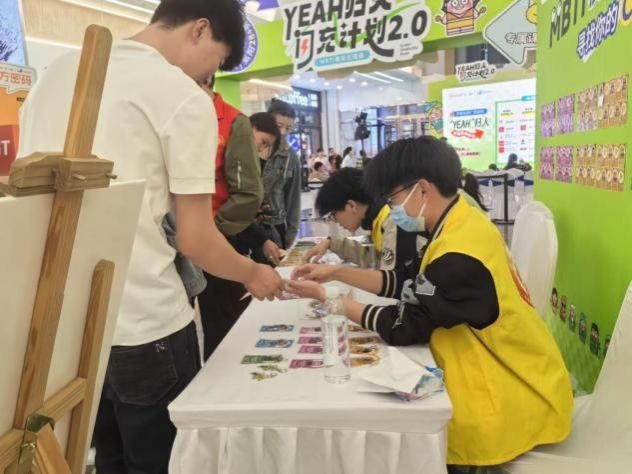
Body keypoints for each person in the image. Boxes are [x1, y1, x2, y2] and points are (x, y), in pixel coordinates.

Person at [18, 1, 283, 472]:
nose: (209, 77)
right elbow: (195, 238)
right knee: (167, 463)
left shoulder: (54, 76)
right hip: (147, 324)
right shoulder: (180, 97)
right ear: (200, 29)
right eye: (217, 62)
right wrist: (252, 273)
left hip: (67, 329)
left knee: (103, 458)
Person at [287, 137, 573, 469]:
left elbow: (405, 325)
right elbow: (409, 283)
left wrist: (333, 300)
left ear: (422, 190)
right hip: (507, 372)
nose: (391, 208)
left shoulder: (459, 253)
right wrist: (336, 273)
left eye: (393, 199)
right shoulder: (457, 223)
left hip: (510, 395)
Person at [197, 80, 282, 360]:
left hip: (214, 238)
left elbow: (244, 201)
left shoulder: (232, 122)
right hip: (199, 237)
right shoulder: (194, 117)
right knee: (216, 316)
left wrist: (213, 231)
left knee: (224, 315)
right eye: (263, 143)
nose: (261, 150)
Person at [303, 168, 418, 270]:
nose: (335, 221)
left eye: (333, 215)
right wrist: (331, 243)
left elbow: (390, 276)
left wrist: (335, 273)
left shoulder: (392, 221)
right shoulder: (377, 217)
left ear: (351, 206)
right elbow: (375, 257)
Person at [262, 99, 302, 249]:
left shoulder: (290, 156)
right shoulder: (251, 148)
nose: (283, 132)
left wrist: (292, 230)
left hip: (275, 225)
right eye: (279, 126)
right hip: (247, 223)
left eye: (288, 128)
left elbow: (293, 197)